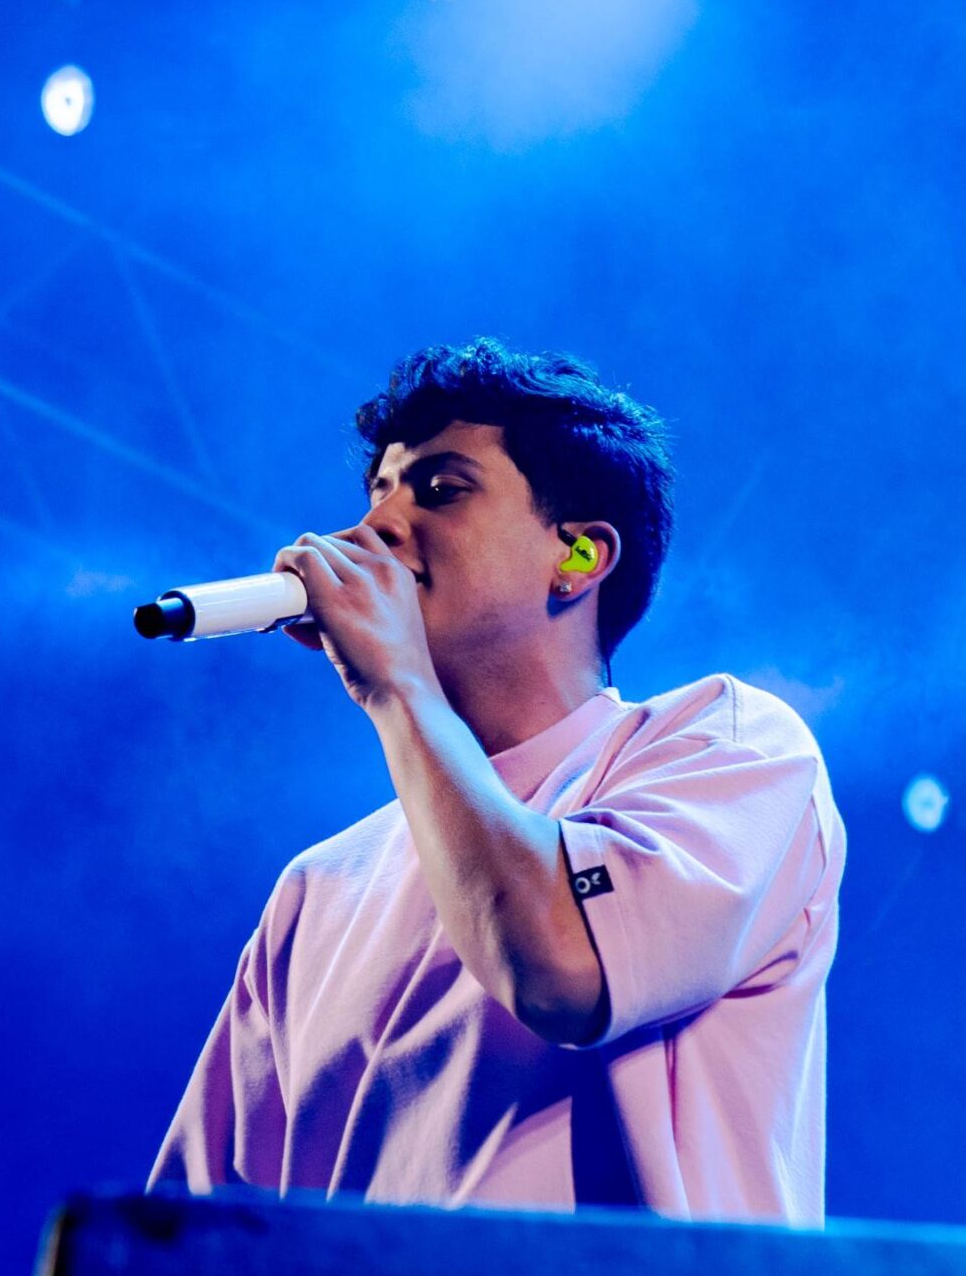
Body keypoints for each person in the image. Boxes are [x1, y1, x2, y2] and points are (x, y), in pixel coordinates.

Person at [147, 338, 844, 1221]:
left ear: (578, 558)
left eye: (440, 490)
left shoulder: (724, 748)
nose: (376, 528)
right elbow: (201, 1244)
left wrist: (396, 686)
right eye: (377, 494)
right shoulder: (317, 890)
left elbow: (561, 971)